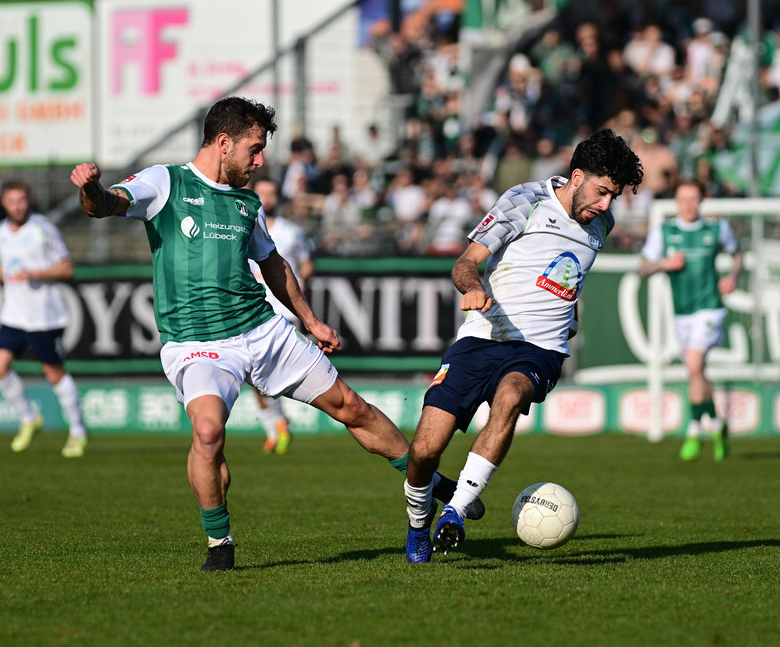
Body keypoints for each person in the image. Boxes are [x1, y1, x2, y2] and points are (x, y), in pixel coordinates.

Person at [70, 96, 480, 573]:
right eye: (255, 148)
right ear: (223, 143)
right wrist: (92, 189)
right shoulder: (168, 182)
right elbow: (105, 206)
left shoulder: (247, 203)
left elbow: (273, 263)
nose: (261, 160)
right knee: (207, 432)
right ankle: (219, 541)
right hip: (198, 344)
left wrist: (311, 321)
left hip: (262, 330)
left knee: (352, 407)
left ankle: (427, 481)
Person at [404, 129, 643, 563]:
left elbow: (568, 276)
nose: (606, 205)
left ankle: (455, 512)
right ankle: (419, 520)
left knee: (511, 396)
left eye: (615, 197)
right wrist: (473, 288)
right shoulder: (525, 200)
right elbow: (466, 262)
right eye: (602, 192)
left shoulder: (601, 224)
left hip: (541, 350)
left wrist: (569, 317)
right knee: (424, 450)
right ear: (576, 176)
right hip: (484, 335)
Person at [638, 179, 742, 462]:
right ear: (676, 201)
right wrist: (664, 264)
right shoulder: (665, 231)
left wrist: (733, 277)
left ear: (701, 200)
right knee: (697, 372)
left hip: (710, 308)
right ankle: (716, 423)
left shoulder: (716, 228)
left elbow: (737, 255)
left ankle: (694, 431)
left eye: (694, 198)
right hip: (681, 312)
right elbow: (642, 268)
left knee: (695, 365)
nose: (688, 204)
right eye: (683, 199)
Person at [0, 181, 88, 458]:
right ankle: (29, 417)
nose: (17, 206)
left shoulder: (43, 229)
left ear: (29, 200)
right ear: (4, 203)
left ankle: (77, 431)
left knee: (54, 374)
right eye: (12, 201)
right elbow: (4, 261)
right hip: (13, 315)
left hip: (44, 317)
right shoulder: (0, 232)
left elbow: (67, 268)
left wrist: (35, 274)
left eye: (22, 200)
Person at [247, 177, 313, 455]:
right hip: (254, 308)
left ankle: (278, 423)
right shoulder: (243, 227)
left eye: (272, 194)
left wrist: (297, 284)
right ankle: (276, 426)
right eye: (262, 193)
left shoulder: (292, 232)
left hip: (284, 309)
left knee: (267, 370)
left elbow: (307, 265)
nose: (267, 199)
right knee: (255, 374)